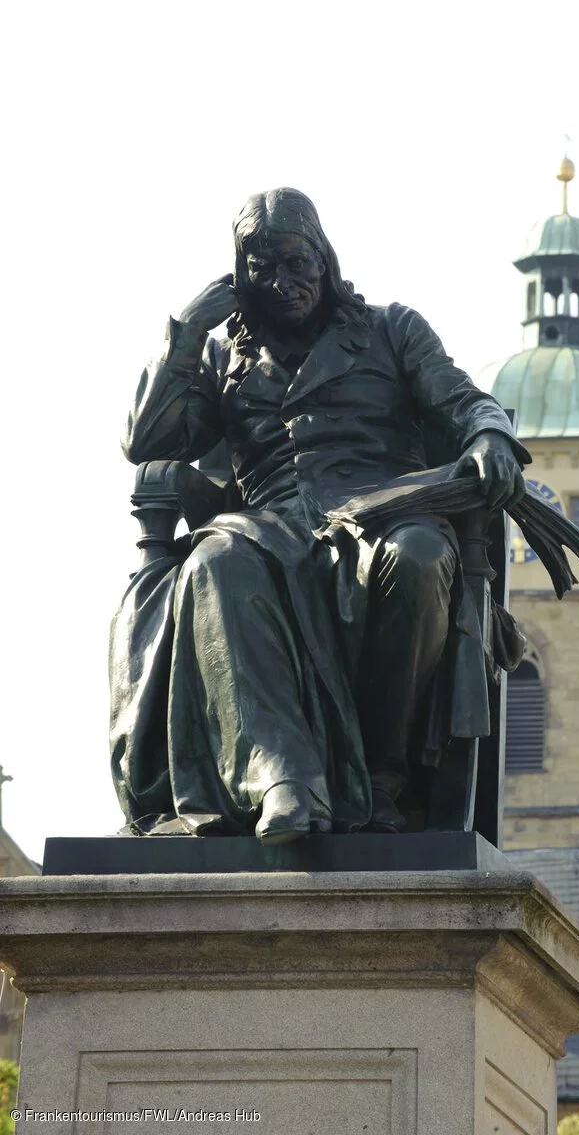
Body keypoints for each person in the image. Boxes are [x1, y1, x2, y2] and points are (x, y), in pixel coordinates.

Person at [110, 188, 530, 843]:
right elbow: (147, 442)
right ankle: (281, 777)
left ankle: (383, 782)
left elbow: (462, 399)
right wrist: (189, 332)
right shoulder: (223, 360)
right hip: (269, 528)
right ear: (239, 277)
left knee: (417, 558)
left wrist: (491, 438)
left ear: (323, 260)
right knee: (218, 561)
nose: (283, 282)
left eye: (296, 261)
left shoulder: (391, 329)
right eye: (262, 268)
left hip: (386, 514)